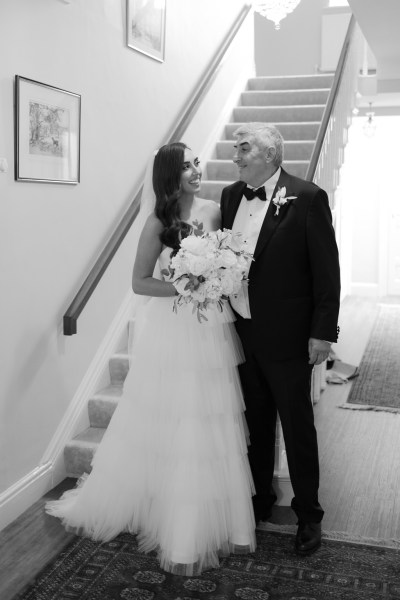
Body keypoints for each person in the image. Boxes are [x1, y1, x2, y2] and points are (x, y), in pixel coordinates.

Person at [46, 142, 256, 575]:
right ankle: (174, 521)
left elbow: (226, 261)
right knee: (176, 417)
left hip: (211, 327)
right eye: (186, 167)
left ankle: (217, 519)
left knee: (211, 417)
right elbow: (140, 283)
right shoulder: (156, 223)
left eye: (196, 163)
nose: (196, 171)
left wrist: (216, 279)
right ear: (168, 176)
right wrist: (185, 287)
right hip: (175, 330)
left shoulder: (216, 211)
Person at [220, 123, 340, 556]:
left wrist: (323, 333)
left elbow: (327, 273)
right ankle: (259, 501)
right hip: (243, 333)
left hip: (290, 339)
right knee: (254, 425)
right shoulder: (231, 195)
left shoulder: (307, 198)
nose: (236, 156)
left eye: (244, 148)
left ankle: (309, 514)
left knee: (296, 428)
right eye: (235, 148)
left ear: (270, 154)